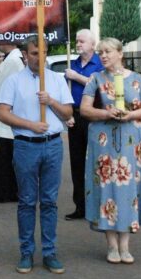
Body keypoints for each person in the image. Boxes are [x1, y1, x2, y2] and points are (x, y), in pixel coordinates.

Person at [0, 36, 73, 275]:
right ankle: (27, 251)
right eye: (33, 53)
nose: (38, 57)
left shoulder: (56, 80)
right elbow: (2, 113)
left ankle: (50, 252)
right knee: (27, 201)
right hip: (26, 145)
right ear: (25, 55)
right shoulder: (13, 81)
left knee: (49, 201)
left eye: (43, 52)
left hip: (52, 145)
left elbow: (68, 112)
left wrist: (50, 101)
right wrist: (30, 125)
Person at [80, 37, 141, 264]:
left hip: (131, 143)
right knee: (106, 189)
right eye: (100, 52)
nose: (103, 56)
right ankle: (112, 245)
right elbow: (84, 109)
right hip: (104, 144)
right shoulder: (95, 79)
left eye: (108, 52)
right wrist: (106, 113)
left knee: (128, 190)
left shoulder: (137, 79)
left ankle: (125, 245)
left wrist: (131, 115)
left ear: (120, 54)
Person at [63, 29, 104, 221]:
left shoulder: (100, 63)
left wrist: (76, 77)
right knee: (77, 163)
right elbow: (65, 91)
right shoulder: (74, 64)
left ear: (92, 44)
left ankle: (98, 206)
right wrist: (67, 113)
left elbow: (101, 87)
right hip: (75, 116)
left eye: (81, 41)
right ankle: (80, 206)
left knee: (96, 161)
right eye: (77, 41)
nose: (78, 44)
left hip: (95, 116)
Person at [0, 41, 24, 202]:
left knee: (4, 155)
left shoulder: (13, 61)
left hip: (2, 111)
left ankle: (5, 190)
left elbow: (1, 87)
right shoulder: (10, 59)